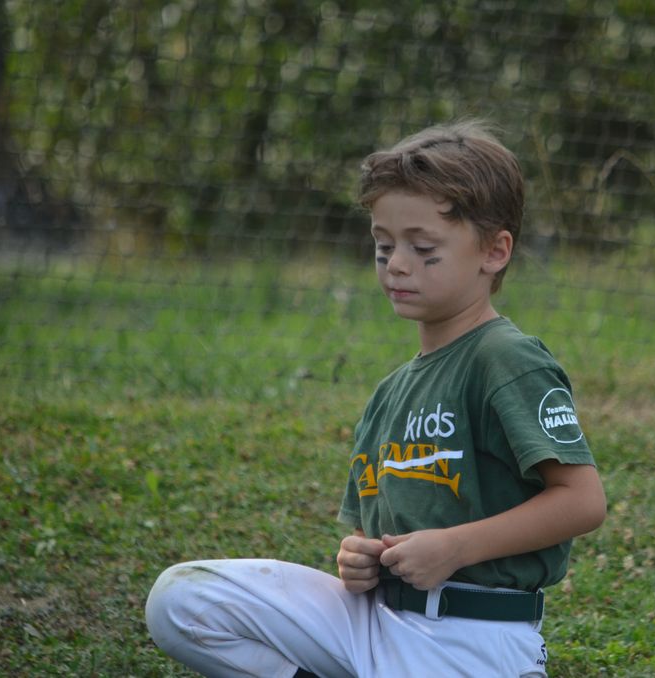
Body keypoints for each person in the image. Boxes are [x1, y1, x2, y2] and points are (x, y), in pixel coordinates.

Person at [145, 120, 607, 677]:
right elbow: (369, 530)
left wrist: (455, 548)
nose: (397, 264)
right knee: (182, 599)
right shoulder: (390, 392)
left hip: (472, 640)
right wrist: (357, 558)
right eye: (383, 245)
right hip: (372, 620)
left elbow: (583, 502)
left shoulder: (506, 359)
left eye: (422, 247)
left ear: (494, 251)